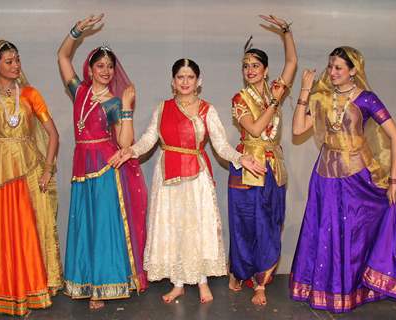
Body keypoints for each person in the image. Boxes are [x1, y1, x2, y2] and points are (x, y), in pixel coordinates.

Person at [112, 58, 265, 304]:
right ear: (173, 82)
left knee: (197, 226)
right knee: (172, 226)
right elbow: (149, 139)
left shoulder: (207, 110)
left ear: (198, 81)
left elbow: (221, 145)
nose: (185, 82)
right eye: (180, 77)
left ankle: (202, 281)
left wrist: (241, 158)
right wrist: (130, 151)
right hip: (167, 177)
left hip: (197, 178)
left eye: (190, 77)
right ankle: (178, 283)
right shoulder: (162, 108)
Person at [290, 46, 396, 312]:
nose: (333, 72)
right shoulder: (322, 98)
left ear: (353, 71)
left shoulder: (367, 99)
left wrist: (394, 182)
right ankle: (329, 289)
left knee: (361, 229)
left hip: (357, 176)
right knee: (325, 230)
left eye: (339, 67)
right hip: (325, 176)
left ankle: (387, 283)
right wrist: (305, 90)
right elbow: (297, 129)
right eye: (330, 66)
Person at [0, 40, 62, 316]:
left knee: (28, 233)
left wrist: (47, 169)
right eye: (9, 61)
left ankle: (29, 289)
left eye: (17, 59)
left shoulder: (30, 94)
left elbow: (53, 135)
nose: (16, 65)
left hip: (29, 171)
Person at [57, 14, 148, 310]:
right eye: (101, 66)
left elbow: (124, 143)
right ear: (91, 69)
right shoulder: (79, 92)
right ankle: (84, 281)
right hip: (82, 165)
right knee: (84, 223)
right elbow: (62, 55)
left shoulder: (112, 102)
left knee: (104, 226)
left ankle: (103, 286)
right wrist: (76, 31)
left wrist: (125, 108)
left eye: (110, 66)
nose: (107, 71)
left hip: (106, 167)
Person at [228, 14, 297, 306]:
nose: (250, 70)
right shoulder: (239, 99)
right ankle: (239, 271)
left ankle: (261, 281)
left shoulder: (275, 90)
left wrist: (285, 32)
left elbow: (292, 63)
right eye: (246, 66)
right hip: (247, 166)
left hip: (273, 167)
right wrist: (273, 102)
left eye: (255, 66)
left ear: (266, 70)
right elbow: (254, 129)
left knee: (269, 223)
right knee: (244, 223)